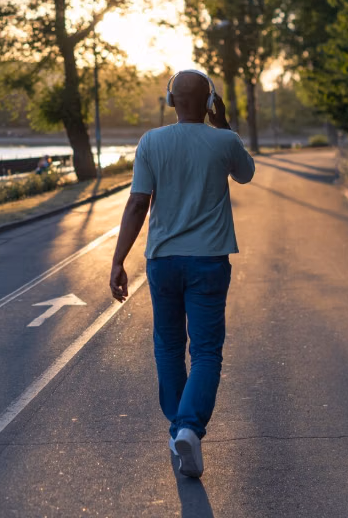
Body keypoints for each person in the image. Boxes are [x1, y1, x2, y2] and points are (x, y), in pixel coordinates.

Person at [109, 69, 255, 478]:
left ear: (170, 100)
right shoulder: (224, 140)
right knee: (206, 351)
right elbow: (245, 174)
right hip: (209, 261)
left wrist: (118, 260)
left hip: (163, 262)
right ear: (209, 102)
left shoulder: (151, 142)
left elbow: (138, 203)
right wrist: (223, 123)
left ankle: (179, 431)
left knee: (169, 347)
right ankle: (189, 427)